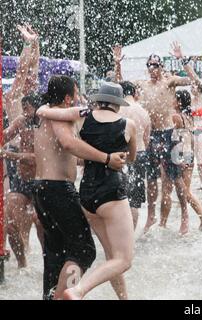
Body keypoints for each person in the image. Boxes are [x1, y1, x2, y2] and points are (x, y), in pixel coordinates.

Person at [36, 81, 137, 300]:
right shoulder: (127, 123)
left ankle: (122, 299)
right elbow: (132, 155)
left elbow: (55, 116)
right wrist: (109, 157)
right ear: (118, 103)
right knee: (113, 257)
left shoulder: (82, 116)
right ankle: (75, 291)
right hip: (110, 191)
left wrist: (42, 109)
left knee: (109, 257)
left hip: (87, 193)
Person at [115, 42, 197, 235]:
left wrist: (182, 59)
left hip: (168, 134)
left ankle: (185, 215)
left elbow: (193, 81)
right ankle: (151, 216)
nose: (153, 69)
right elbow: (120, 85)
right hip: (151, 136)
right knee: (151, 179)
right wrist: (117, 63)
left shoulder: (169, 81)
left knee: (176, 178)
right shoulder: (141, 85)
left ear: (161, 67)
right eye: (150, 65)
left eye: (156, 65)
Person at [1, 93, 44, 268]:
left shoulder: (45, 124)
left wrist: (10, 155)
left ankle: (48, 261)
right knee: (9, 223)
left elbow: (39, 158)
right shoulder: (21, 121)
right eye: (23, 108)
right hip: (21, 180)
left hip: (42, 180)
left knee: (40, 222)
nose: (25, 112)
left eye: (27, 108)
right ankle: (22, 264)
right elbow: (4, 136)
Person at [171, 90, 202, 230]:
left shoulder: (176, 117)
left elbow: (174, 138)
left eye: (174, 98)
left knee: (185, 192)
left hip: (182, 156)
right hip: (189, 154)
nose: (171, 100)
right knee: (185, 192)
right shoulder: (188, 117)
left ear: (179, 102)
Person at [118, 81, 152, 229]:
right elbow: (146, 139)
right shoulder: (143, 111)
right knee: (134, 202)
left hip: (119, 156)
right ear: (134, 93)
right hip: (139, 154)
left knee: (118, 198)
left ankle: (119, 235)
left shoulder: (116, 110)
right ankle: (131, 237)